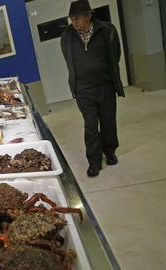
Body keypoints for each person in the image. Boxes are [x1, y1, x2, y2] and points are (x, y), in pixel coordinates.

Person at [60, 0, 124, 177]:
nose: (74, 22)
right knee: (90, 125)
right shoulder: (67, 36)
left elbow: (115, 55)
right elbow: (68, 60)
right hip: (83, 88)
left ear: (88, 15)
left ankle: (110, 152)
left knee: (108, 120)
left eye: (77, 18)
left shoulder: (107, 30)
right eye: (71, 19)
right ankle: (94, 162)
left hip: (105, 85)